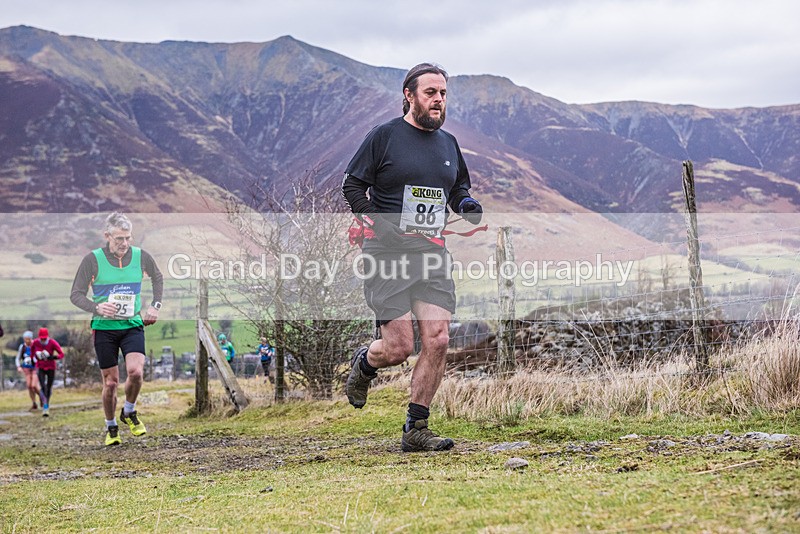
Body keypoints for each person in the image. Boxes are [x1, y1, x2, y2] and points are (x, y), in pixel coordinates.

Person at [341, 63, 483, 452]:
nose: (438, 100)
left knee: (437, 339)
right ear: (410, 95)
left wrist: (466, 203)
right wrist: (378, 223)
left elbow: (457, 188)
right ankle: (366, 363)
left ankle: (416, 428)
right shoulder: (385, 137)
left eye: (443, 94)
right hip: (387, 254)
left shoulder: (448, 144)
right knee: (399, 348)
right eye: (431, 93)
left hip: (431, 254)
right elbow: (351, 185)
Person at [70, 212, 163, 446]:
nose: (124, 244)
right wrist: (97, 307)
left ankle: (129, 411)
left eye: (128, 238)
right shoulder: (92, 260)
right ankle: (111, 427)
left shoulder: (141, 257)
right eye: (119, 239)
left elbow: (158, 278)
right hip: (104, 329)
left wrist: (155, 306)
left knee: (136, 372)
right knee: (110, 382)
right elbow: (76, 295)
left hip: (132, 325)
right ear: (107, 236)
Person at [30, 327, 64, 417]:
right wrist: (34, 359)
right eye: (42, 338)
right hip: (40, 367)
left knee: (48, 387)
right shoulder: (35, 343)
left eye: (45, 338)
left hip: (51, 367)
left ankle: (46, 403)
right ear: (39, 337)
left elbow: (61, 354)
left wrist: (53, 357)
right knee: (43, 386)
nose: (43, 340)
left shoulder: (52, 342)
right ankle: (45, 406)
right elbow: (32, 353)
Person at [15, 331, 42, 411]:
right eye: (25, 339)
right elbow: (18, 358)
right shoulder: (22, 347)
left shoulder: (36, 345)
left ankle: (42, 397)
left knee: (34, 385)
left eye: (28, 339)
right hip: (26, 368)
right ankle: (34, 403)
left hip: (35, 367)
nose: (27, 341)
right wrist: (18, 366)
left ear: (31, 338)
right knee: (29, 386)